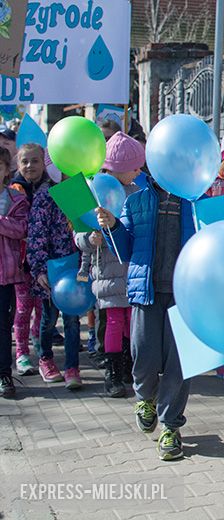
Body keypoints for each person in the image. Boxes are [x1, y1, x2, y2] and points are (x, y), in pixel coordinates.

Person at [96, 163, 197, 461]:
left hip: (186, 297)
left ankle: (171, 426)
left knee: (180, 365)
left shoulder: (197, 202)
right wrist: (112, 225)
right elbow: (124, 250)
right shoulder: (136, 200)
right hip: (146, 294)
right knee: (144, 355)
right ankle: (145, 399)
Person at [75, 132, 143, 398]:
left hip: (131, 269)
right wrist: (90, 239)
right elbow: (79, 234)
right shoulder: (92, 190)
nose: (139, 172)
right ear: (118, 168)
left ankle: (127, 365)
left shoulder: (137, 193)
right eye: (134, 167)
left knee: (130, 320)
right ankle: (113, 372)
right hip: (107, 270)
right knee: (114, 320)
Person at [24, 143, 83, 388]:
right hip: (51, 268)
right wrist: (38, 269)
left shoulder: (79, 192)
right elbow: (36, 234)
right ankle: (46, 358)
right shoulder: (46, 195)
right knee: (49, 318)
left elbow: (85, 229)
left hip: (75, 266)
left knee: (72, 320)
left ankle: (72, 367)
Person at [9, 145, 48, 376]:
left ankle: (39, 343)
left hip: (45, 262)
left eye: (35, 161)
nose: (29, 166)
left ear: (43, 163)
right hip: (21, 262)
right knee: (23, 309)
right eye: (25, 162)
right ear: (17, 164)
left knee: (43, 310)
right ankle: (21, 353)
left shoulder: (51, 189)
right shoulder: (13, 191)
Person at [0, 148, 29, 397]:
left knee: (2, 327)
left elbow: (22, 229)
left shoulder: (15, 199)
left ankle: (4, 375)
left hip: (6, 275)